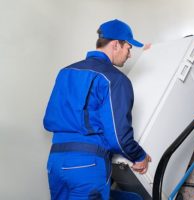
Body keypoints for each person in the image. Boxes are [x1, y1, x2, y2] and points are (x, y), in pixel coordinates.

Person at [43, 19, 151, 200]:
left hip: (55, 161)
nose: (129, 54)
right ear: (116, 44)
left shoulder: (66, 71)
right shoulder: (114, 79)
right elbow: (118, 135)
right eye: (129, 48)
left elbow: (50, 117)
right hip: (87, 164)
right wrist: (139, 156)